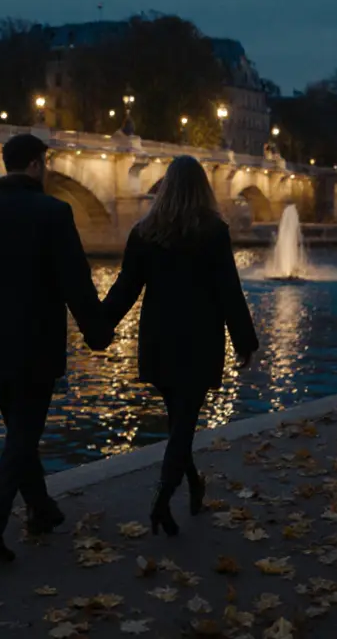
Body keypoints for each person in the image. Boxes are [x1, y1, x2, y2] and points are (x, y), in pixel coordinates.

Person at [0, 134, 111, 561]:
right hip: (36, 344)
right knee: (23, 434)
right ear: (38, 164)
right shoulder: (53, 212)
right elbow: (75, 280)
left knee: (20, 432)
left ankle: (40, 509)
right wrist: (97, 333)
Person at [102, 155, 259, 537]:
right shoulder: (213, 231)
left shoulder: (144, 232)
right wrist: (244, 341)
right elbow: (229, 293)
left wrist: (99, 326)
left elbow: (126, 288)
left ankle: (193, 483)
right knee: (183, 423)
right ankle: (162, 497)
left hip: (158, 340)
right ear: (202, 187)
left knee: (180, 422)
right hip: (199, 339)